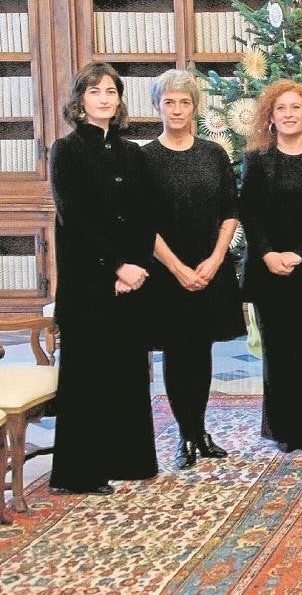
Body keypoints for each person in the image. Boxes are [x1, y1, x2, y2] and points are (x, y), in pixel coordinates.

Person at [48, 63, 158, 495]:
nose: (105, 98)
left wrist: (135, 266)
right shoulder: (66, 150)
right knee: (88, 376)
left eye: (112, 91)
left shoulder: (133, 153)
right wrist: (114, 267)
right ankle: (82, 473)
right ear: (80, 101)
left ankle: (129, 461)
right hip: (88, 282)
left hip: (131, 279)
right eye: (95, 91)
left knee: (128, 371)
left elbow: (147, 215)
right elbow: (75, 219)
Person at [143, 69, 245, 470]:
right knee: (176, 352)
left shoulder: (213, 154)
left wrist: (216, 259)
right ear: (157, 107)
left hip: (209, 267)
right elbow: (142, 222)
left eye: (185, 102)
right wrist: (178, 268)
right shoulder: (145, 158)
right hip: (167, 272)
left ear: (195, 107)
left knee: (201, 352)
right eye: (169, 101)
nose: (178, 109)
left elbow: (230, 211)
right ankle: (185, 435)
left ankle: (201, 430)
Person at [239, 80, 302, 453]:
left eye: (295, 108)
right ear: (270, 116)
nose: (288, 115)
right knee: (278, 352)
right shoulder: (256, 161)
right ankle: (282, 429)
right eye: (281, 108)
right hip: (268, 273)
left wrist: (300, 253)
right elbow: (249, 212)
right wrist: (268, 253)